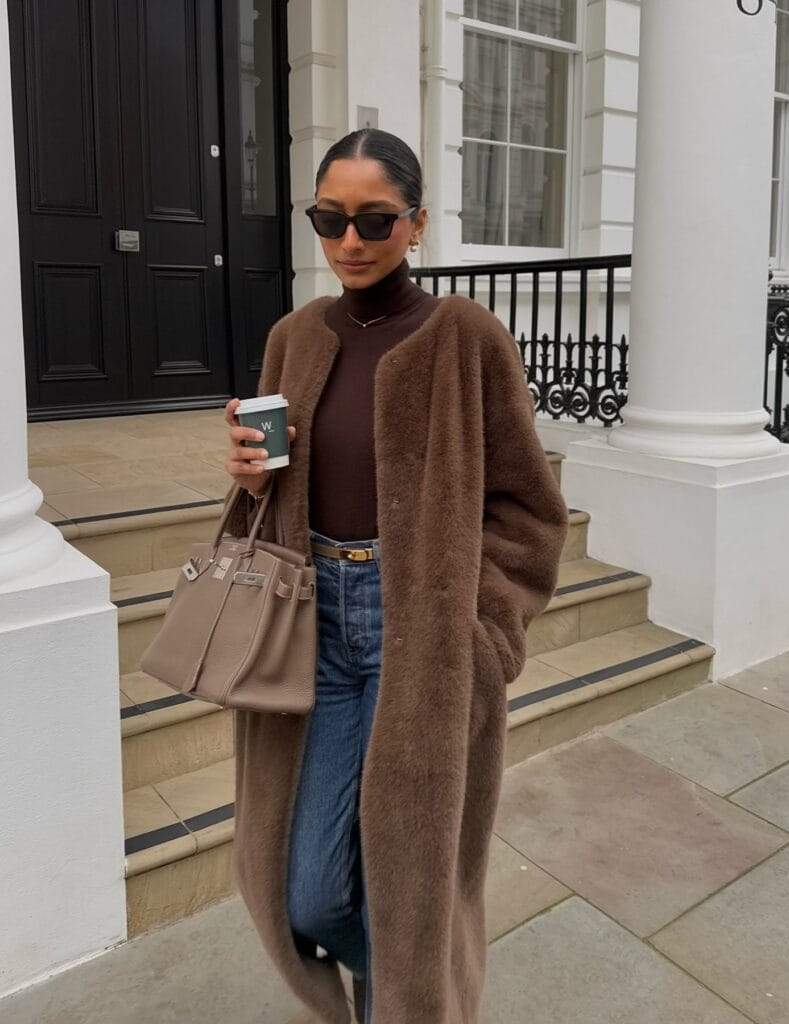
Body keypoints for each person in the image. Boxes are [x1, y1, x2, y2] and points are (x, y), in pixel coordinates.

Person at [223, 128, 568, 1024]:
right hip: (313, 625)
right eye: (329, 219)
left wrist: (484, 631)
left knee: (408, 880)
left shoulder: (465, 337)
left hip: (422, 629)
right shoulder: (293, 338)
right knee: (309, 893)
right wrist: (251, 479)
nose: (350, 241)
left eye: (375, 220)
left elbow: (530, 509)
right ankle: (417, 997)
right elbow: (267, 501)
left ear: (416, 224)